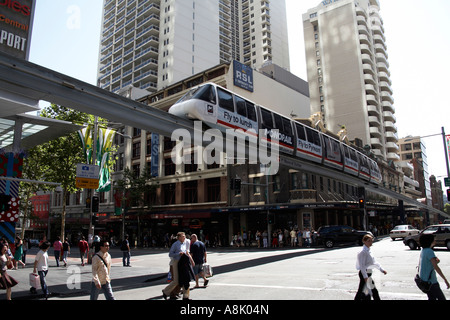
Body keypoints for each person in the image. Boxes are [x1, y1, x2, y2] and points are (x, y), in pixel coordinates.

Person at [162, 232, 194, 300]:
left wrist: (190, 260)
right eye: (182, 236)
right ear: (179, 237)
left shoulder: (186, 243)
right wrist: (178, 254)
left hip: (184, 262)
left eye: (184, 236)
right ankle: (165, 291)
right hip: (176, 262)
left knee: (186, 279)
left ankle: (186, 296)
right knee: (176, 280)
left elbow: (187, 251)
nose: (184, 237)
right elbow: (170, 254)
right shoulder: (175, 244)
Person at [355, 234, 387, 300]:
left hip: (368, 272)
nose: (371, 242)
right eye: (369, 241)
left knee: (365, 291)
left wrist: (381, 269)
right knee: (370, 290)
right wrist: (365, 277)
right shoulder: (363, 252)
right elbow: (362, 266)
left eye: (371, 240)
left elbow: (374, 262)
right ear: (364, 241)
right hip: (365, 273)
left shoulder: (369, 251)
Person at [418, 233, 449, 300]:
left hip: (425, 281)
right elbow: (436, 267)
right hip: (431, 282)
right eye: (434, 239)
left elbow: (428, 263)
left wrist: (436, 261)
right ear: (430, 241)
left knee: (431, 298)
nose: (435, 240)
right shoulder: (429, 251)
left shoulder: (423, 250)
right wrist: (445, 279)